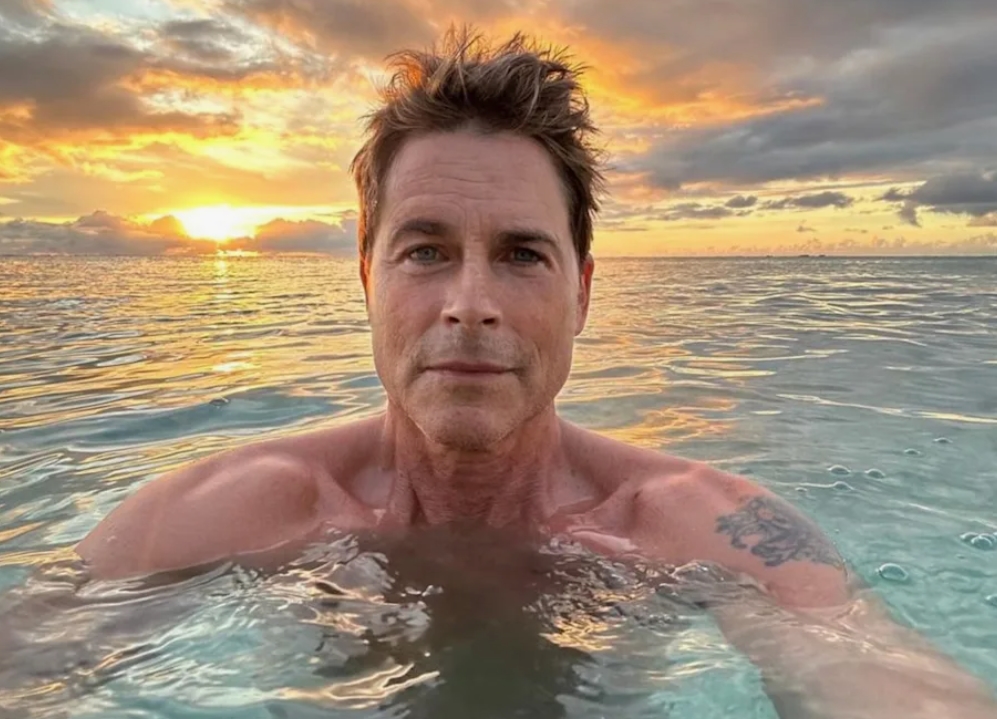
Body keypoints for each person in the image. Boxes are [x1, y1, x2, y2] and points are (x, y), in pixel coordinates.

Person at [76, 27, 996, 717]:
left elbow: (882, 679)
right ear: (366, 279)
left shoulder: (695, 525)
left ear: (581, 292)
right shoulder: (233, 510)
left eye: (521, 254)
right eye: (425, 251)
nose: (469, 302)